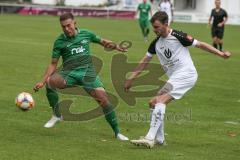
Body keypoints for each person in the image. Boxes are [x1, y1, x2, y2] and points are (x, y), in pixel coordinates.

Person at [124, 11, 231, 148]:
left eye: (157, 27)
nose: (154, 30)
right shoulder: (156, 43)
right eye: (153, 27)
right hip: (176, 77)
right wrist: (131, 78)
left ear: (166, 24)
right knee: (153, 103)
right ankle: (160, 139)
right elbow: (144, 61)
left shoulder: (178, 35)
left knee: (160, 100)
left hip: (186, 74)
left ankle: (150, 138)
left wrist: (221, 54)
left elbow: (201, 44)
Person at [33, 12, 129, 141]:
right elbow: (53, 64)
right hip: (69, 74)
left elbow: (102, 41)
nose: (67, 29)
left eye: (69, 25)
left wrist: (117, 46)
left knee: (104, 100)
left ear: (75, 23)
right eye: (63, 27)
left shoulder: (86, 34)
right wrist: (42, 81)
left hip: (87, 73)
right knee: (51, 82)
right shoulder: (59, 42)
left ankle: (117, 133)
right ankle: (56, 115)